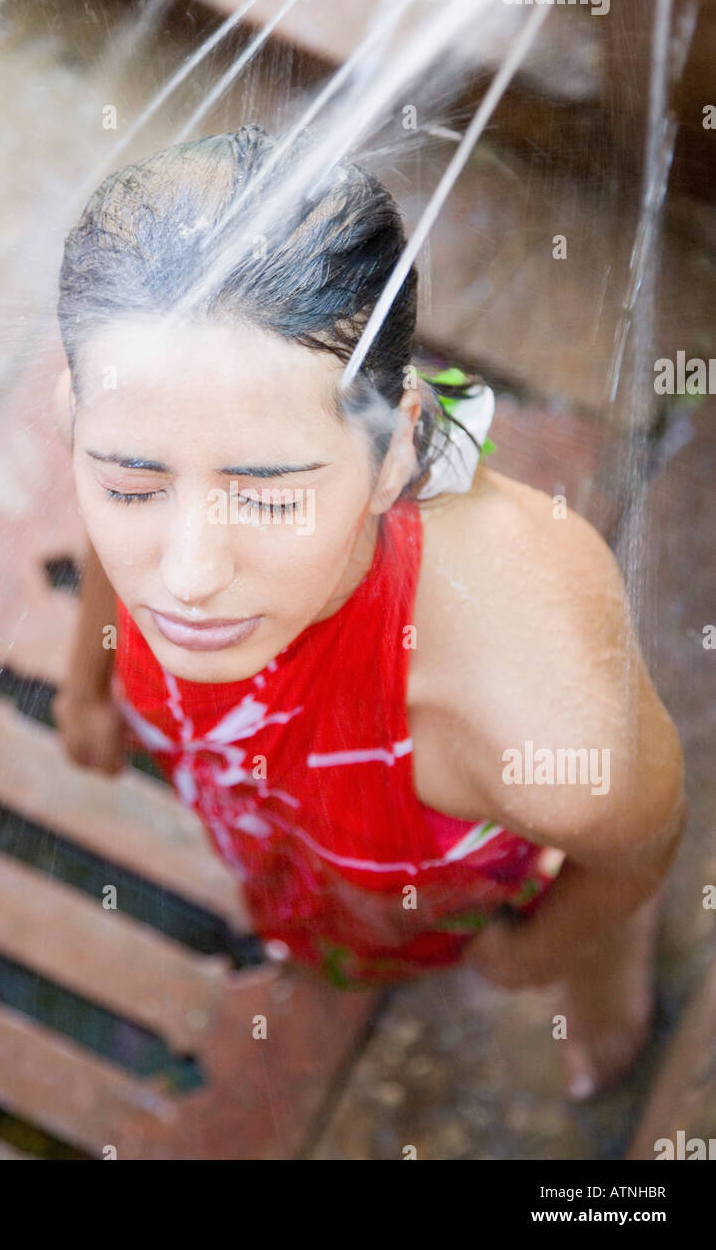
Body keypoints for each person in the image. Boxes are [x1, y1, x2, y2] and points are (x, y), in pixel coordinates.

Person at [52, 124, 686, 1103]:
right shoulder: (141, 418)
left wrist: (551, 948)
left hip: (451, 871)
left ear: (396, 455)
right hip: (286, 834)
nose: (182, 578)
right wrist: (87, 675)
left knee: (567, 904)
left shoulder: (542, 729)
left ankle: (611, 956)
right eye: (134, 481)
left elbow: (639, 836)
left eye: (265, 492)